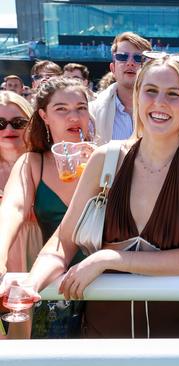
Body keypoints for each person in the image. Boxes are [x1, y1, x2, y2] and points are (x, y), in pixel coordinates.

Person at [8, 54, 179, 338]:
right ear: (137, 95)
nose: (159, 102)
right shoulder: (106, 158)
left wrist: (109, 258)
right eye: (151, 91)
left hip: (174, 346)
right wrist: (30, 285)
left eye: (173, 94)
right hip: (100, 340)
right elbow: (62, 243)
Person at [0, 78, 93, 338]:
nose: (73, 116)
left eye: (81, 107)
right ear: (44, 116)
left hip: (105, 281)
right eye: (61, 109)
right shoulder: (32, 163)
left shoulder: (107, 159)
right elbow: (14, 208)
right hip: (55, 283)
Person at [90, 32, 152, 145]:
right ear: (112, 68)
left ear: (149, 68)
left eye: (138, 58)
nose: (130, 63)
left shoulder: (163, 110)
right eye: (122, 57)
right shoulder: (92, 112)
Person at [0, 91, 36, 274]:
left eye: (18, 123)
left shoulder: (47, 165)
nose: (8, 130)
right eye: (0, 123)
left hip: (41, 264)